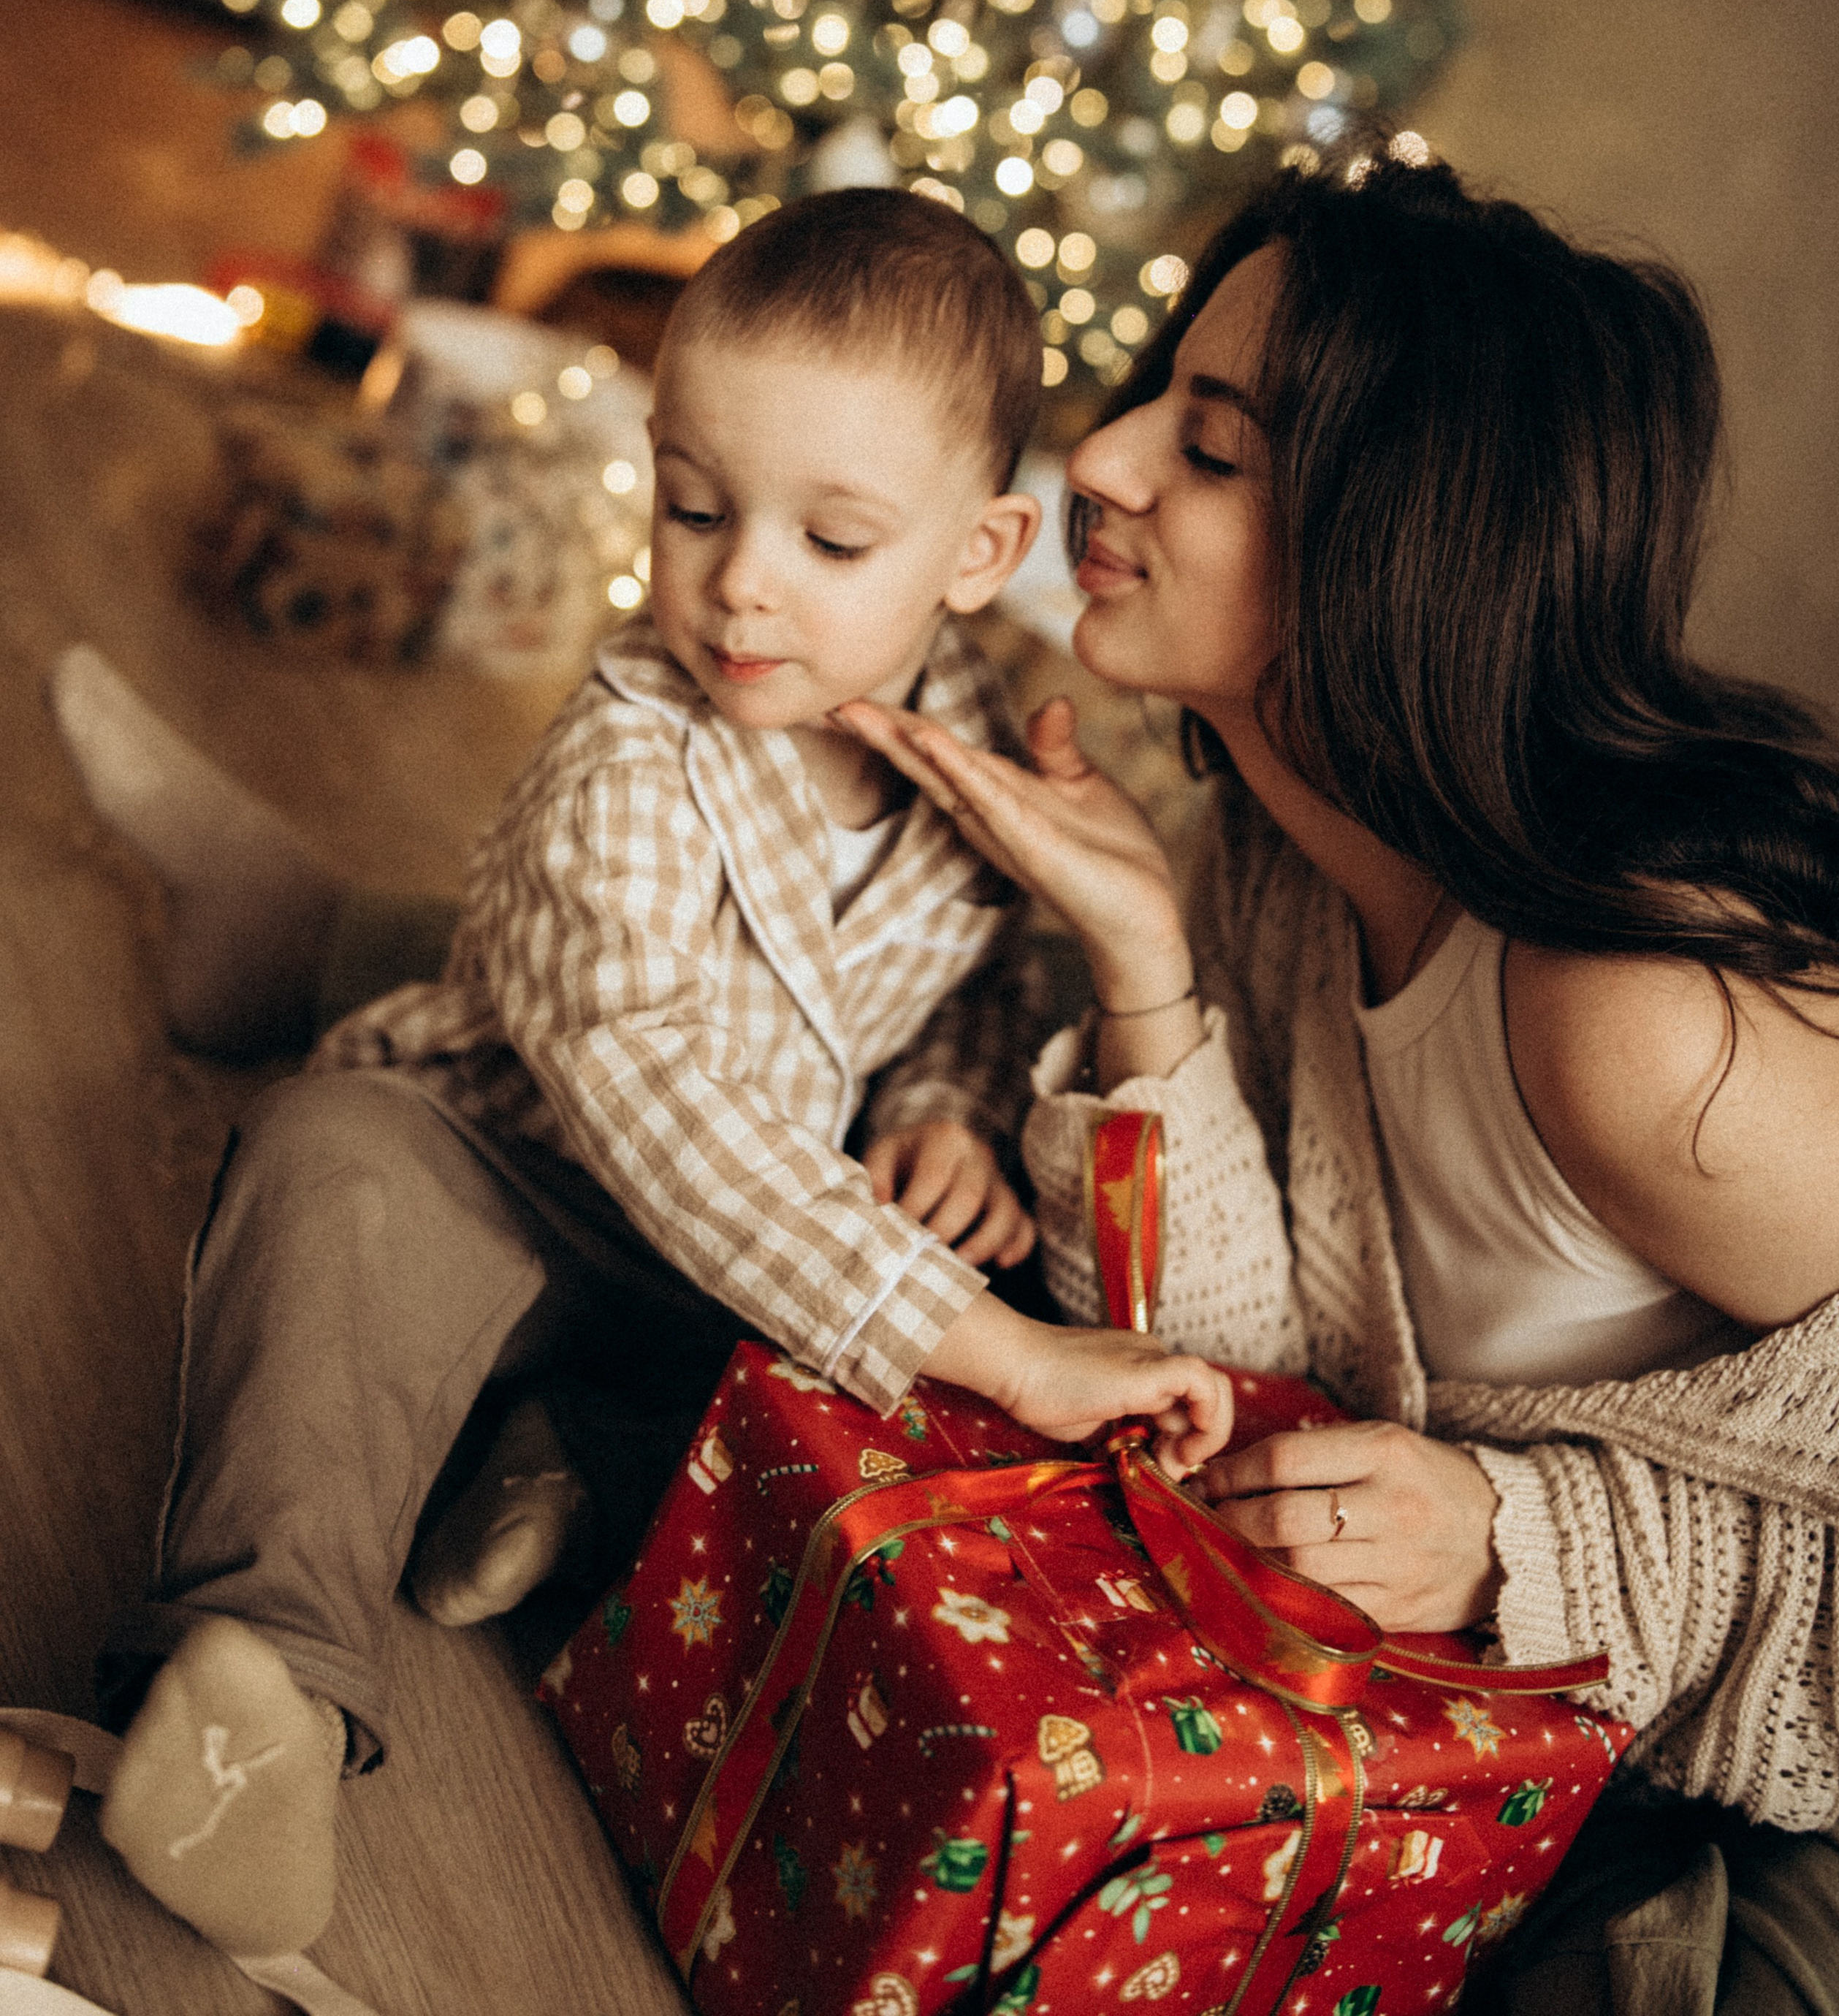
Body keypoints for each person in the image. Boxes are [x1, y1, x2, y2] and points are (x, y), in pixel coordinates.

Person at [78, 190, 1231, 1962]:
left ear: (979, 553)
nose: (736, 578)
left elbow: (985, 969)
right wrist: (982, 1337)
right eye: (694, 505)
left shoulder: (988, 743)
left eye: (830, 540)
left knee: (910, 1366)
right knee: (332, 1166)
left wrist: (946, 1106)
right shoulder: (630, 753)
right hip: (525, 1173)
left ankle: (567, 1459)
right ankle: (263, 1677)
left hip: (734, 1281)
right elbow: (650, 1099)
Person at [839, 150, 1839, 2013]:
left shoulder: (1638, 1015)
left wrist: (1513, 1536)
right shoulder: (1272, 858)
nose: (1099, 460)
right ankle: (319, 930)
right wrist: (1143, 964)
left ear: (1407, 539)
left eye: (1210, 451)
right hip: (1495, 1730)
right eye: (1161, 398)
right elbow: (1238, 1379)